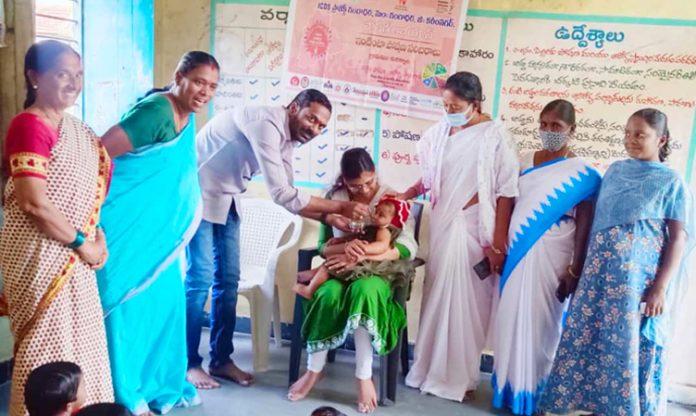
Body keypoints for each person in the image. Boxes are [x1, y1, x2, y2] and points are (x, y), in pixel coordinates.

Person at [185, 89, 370, 389]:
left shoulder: (287, 139)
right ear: (293, 107)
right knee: (200, 280)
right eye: (311, 118)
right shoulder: (266, 124)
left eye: (322, 126)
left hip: (228, 198)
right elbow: (281, 193)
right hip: (197, 195)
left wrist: (327, 218)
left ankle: (220, 359)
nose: (315, 129)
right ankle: (189, 363)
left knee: (228, 281)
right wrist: (341, 207)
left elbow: (289, 196)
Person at [539, 108, 695, 416]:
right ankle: (578, 406)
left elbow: (678, 239)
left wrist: (659, 289)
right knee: (586, 339)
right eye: (627, 133)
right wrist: (577, 270)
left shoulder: (671, 181)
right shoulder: (614, 171)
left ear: (660, 139)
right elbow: (594, 222)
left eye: (640, 135)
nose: (631, 140)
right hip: (597, 279)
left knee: (624, 348)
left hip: (635, 286)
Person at [97, 51, 220, 415]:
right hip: (131, 233)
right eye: (198, 81)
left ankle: (156, 382)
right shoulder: (157, 111)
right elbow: (101, 151)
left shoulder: (186, 116)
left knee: (162, 308)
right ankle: (124, 387)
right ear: (178, 75)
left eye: (212, 86)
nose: (204, 92)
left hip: (162, 243)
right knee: (130, 307)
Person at [0, 40, 113, 416]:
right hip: (41, 262)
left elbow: (83, 200)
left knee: (81, 348)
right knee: (44, 355)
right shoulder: (29, 126)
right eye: (62, 74)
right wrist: (84, 244)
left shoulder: (76, 130)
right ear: (35, 77)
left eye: (78, 75)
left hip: (74, 263)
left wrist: (98, 240)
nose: (73, 83)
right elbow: (33, 202)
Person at [402, 71, 519, 401]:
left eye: (455, 105)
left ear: (475, 103)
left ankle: (455, 377)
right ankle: (427, 369)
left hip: (472, 229)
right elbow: (430, 176)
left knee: (466, 304)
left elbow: (506, 193)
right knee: (437, 297)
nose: (449, 110)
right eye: (445, 104)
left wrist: (497, 244)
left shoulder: (495, 136)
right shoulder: (441, 131)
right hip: (441, 225)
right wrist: (407, 192)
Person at [491, 100, 601, 415]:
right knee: (510, 317)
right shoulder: (523, 161)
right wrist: (498, 246)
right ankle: (509, 391)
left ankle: (538, 395)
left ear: (572, 131)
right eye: (544, 124)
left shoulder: (585, 175)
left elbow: (584, 225)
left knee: (543, 327)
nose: (548, 132)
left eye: (557, 127)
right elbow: (507, 205)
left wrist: (575, 269)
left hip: (555, 255)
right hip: (518, 253)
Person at [287, 148, 418, 414]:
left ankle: (364, 375)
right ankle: (314, 370)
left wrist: (377, 252)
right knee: (326, 295)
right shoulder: (334, 199)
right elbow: (324, 245)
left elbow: (408, 245)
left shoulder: (391, 199)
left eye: (369, 182)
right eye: (355, 186)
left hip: (378, 272)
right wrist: (346, 251)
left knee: (364, 293)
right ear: (344, 182)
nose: (364, 190)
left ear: (375, 175)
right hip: (340, 266)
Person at [293, 195, 412, 300]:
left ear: (392, 221)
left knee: (331, 264)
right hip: (360, 257)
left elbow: (382, 246)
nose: (375, 216)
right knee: (334, 259)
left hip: (368, 263)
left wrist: (363, 250)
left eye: (381, 215)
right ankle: (314, 273)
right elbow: (356, 237)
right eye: (376, 211)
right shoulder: (373, 227)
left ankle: (309, 290)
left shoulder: (384, 230)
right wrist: (342, 239)